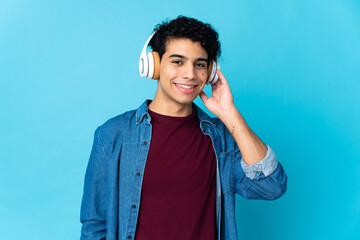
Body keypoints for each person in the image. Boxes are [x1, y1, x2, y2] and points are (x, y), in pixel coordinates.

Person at [80, 16, 287, 240]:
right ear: (154, 66)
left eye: (199, 64)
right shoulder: (112, 135)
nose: (189, 74)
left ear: (210, 72)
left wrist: (230, 113)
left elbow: (271, 186)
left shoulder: (220, 138)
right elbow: (95, 225)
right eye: (177, 62)